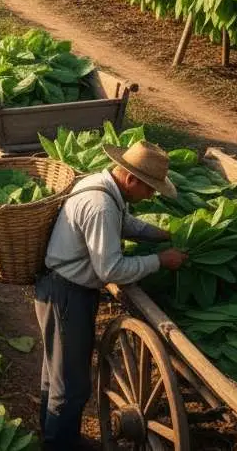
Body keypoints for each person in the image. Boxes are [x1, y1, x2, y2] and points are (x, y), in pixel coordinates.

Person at [37, 141, 188, 450]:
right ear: (131, 179)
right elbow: (112, 270)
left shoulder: (102, 185)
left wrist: (160, 234)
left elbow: (125, 223)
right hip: (67, 294)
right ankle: (58, 445)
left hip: (61, 288)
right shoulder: (101, 204)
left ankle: (52, 436)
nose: (151, 196)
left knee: (56, 374)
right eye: (150, 189)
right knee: (71, 384)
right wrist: (160, 260)